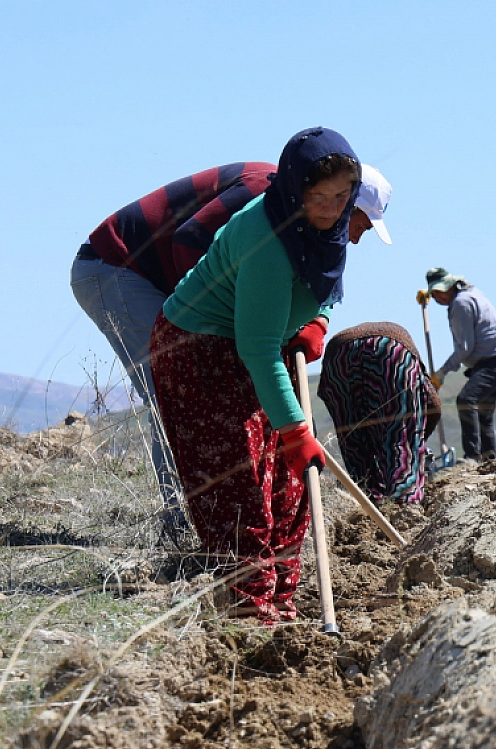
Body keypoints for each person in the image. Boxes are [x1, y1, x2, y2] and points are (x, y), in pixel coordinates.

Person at [73, 161, 394, 542]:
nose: (357, 238)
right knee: (175, 391)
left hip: (156, 276)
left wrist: (317, 321)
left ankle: (235, 527)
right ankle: (180, 531)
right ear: (343, 202)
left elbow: (321, 276)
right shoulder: (265, 192)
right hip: (119, 266)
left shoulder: (316, 221)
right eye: (362, 224)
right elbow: (190, 240)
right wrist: (219, 328)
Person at [149, 127, 360, 623]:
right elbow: (259, 347)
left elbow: (327, 281)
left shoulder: (325, 229)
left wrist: (318, 318)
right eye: (318, 196)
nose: (331, 207)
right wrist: (294, 430)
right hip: (199, 350)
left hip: (255, 345)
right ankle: (247, 612)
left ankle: (281, 600)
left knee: (289, 484)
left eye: (341, 196)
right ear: (293, 191)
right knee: (241, 487)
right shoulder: (267, 239)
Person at [318, 322, 442, 504]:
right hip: (391, 351)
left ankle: (367, 501)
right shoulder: (424, 410)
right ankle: (404, 509)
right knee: (401, 441)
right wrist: (414, 440)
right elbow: (433, 405)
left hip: (338, 357)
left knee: (354, 443)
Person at [426, 268, 496, 461]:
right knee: (484, 414)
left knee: (466, 401)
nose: (438, 298)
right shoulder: (471, 294)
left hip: (493, 361)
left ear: (450, 286)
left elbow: (465, 348)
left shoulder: (460, 303)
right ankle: (490, 461)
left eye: (439, 292)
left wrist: (442, 373)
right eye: (433, 295)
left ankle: (472, 458)